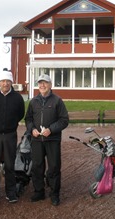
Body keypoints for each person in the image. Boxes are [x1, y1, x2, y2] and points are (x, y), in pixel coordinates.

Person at [25, 74, 69, 206]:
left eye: (45, 83)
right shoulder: (33, 102)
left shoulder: (57, 101)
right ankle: (39, 191)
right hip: (37, 140)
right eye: (40, 83)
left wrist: (51, 129)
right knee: (37, 166)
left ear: (50, 85)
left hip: (52, 140)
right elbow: (28, 119)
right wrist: (32, 129)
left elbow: (64, 120)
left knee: (54, 167)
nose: (42, 85)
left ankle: (54, 193)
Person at [0, 69, 25, 204]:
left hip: (10, 135)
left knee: (9, 165)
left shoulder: (17, 98)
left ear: (11, 82)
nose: (5, 83)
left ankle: (11, 193)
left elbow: (20, 114)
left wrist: (10, 124)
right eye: (3, 81)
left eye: (8, 81)